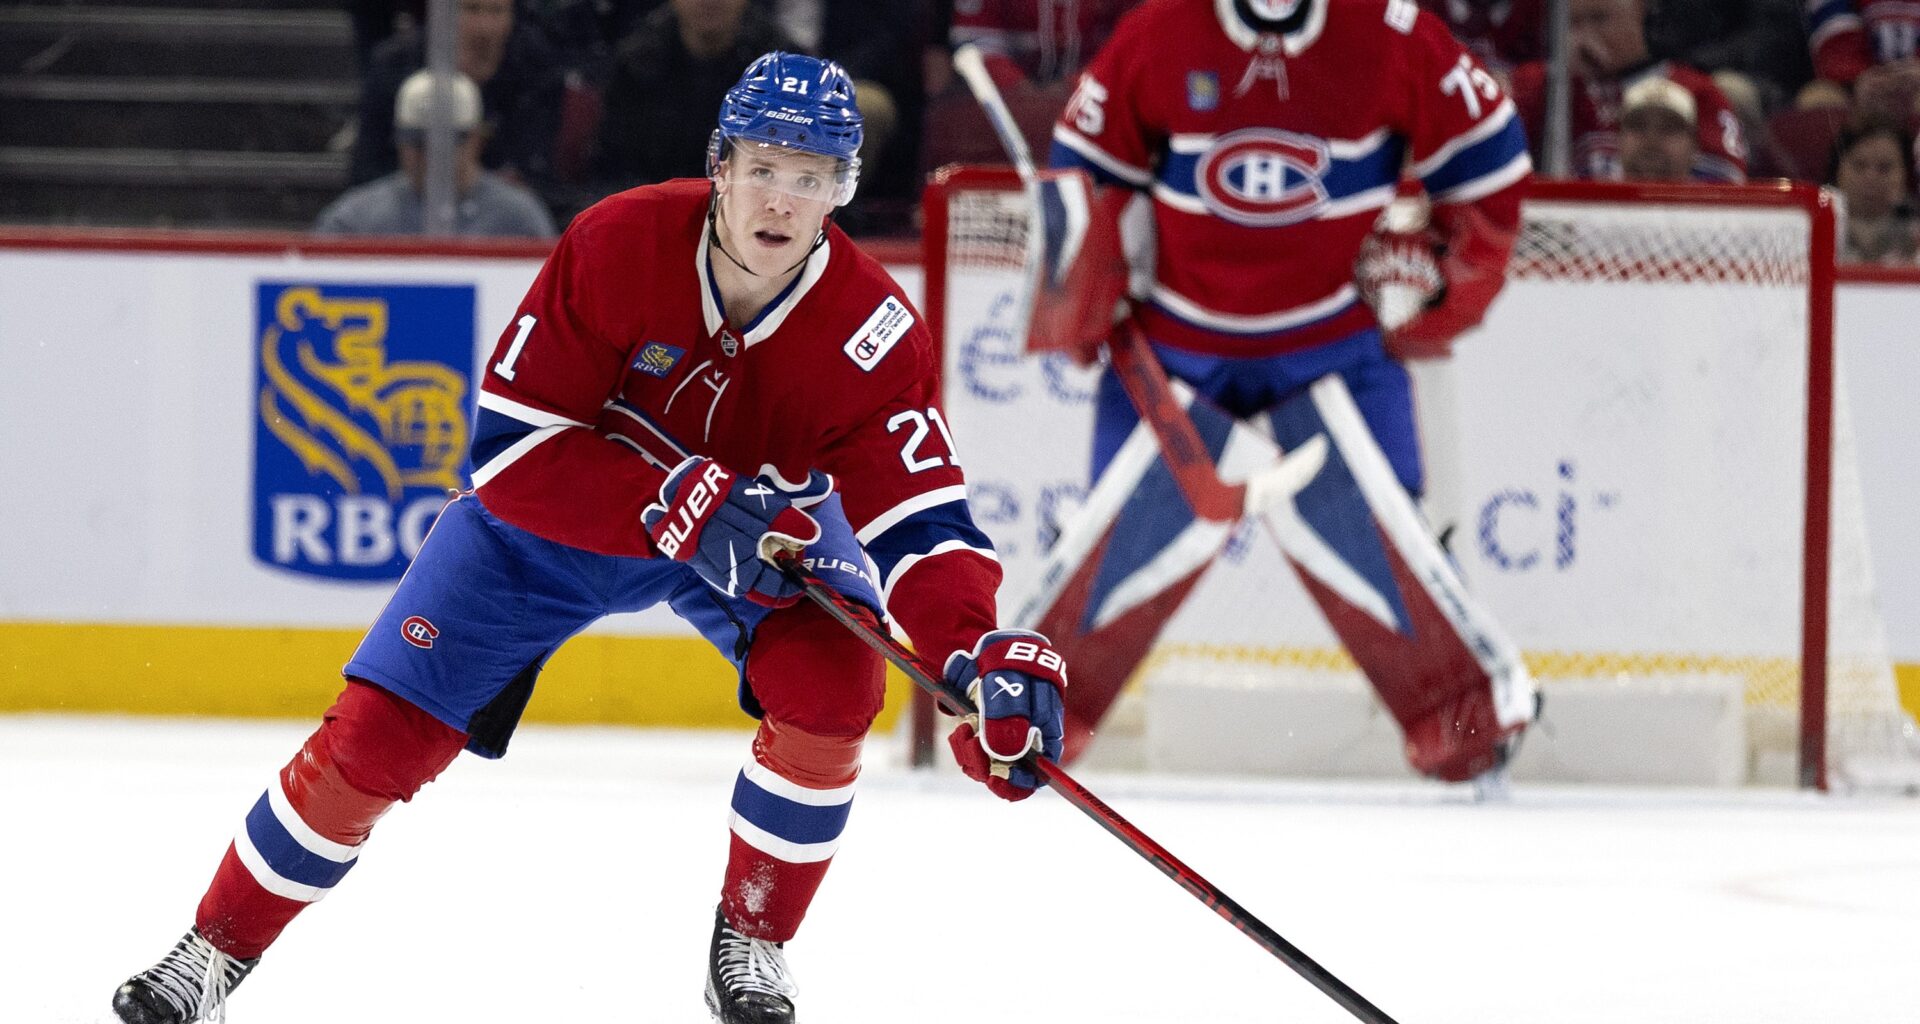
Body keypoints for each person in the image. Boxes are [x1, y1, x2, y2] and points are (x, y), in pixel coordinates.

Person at [110, 52, 1067, 1024]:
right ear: (722, 165)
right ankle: (210, 954)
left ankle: (752, 939)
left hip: (753, 533)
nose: (783, 199)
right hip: (555, 528)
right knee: (371, 745)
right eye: (766, 168)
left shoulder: (873, 331)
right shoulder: (618, 242)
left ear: (841, 193)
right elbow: (509, 455)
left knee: (837, 690)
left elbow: (922, 516)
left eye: (812, 177)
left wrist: (970, 650)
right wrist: (665, 500)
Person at [1040, 0, 1538, 783]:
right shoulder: (1158, 29)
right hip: (1174, 348)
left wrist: (1440, 276)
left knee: (1401, 536)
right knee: (1099, 543)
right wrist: (1082, 286)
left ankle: (1466, 724)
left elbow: (1491, 162)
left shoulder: (1394, 32)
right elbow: (1079, 172)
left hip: (1332, 347)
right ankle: (1031, 712)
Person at [1507, 0, 1746, 183]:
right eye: (1574, 24)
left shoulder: (1696, 92)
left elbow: (1726, 188)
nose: (1583, 37)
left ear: (1639, 11)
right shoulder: (1544, 87)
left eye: (1599, 19)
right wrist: (1555, 83)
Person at [350, 0, 566, 201]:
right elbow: (367, 168)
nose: (485, 28)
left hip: (505, 220)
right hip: (410, 209)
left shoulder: (538, 65)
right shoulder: (395, 65)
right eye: (472, 9)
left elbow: (546, 172)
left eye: (497, 11)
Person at [315, 69, 558, 238]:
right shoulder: (355, 222)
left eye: (446, 142)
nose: (431, 156)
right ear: (399, 140)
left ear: (475, 139)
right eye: (418, 142)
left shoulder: (519, 219)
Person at [1830, 117, 1920, 263]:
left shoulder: (1916, 230)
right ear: (1838, 170)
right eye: (1859, 165)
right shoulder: (1811, 229)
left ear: (1905, 174)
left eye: (1884, 168)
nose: (1870, 178)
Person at [1617, 74, 1701, 182]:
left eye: (1668, 128)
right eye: (1638, 126)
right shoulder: (1596, 198)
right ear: (1619, 139)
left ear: (1694, 146)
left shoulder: (1715, 198)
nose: (1651, 141)